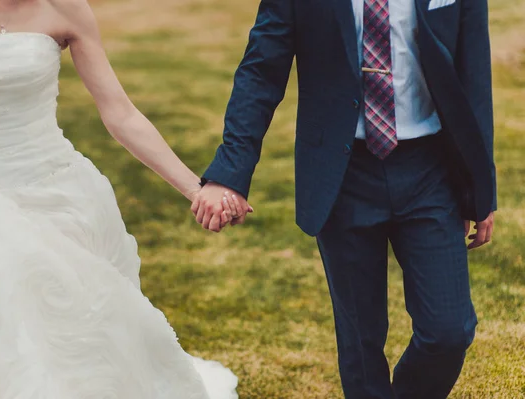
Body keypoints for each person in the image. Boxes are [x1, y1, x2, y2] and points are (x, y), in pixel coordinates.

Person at [0, 0, 240, 397]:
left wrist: (195, 188)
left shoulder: (65, 7)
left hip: (59, 193)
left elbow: (119, 113)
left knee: (76, 328)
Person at [193, 0, 496, 397]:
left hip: (430, 169)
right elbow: (261, 71)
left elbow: (474, 72)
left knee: (449, 332)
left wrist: (479, 189)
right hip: (343, 171)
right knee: (360, 342)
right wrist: (228, 174)